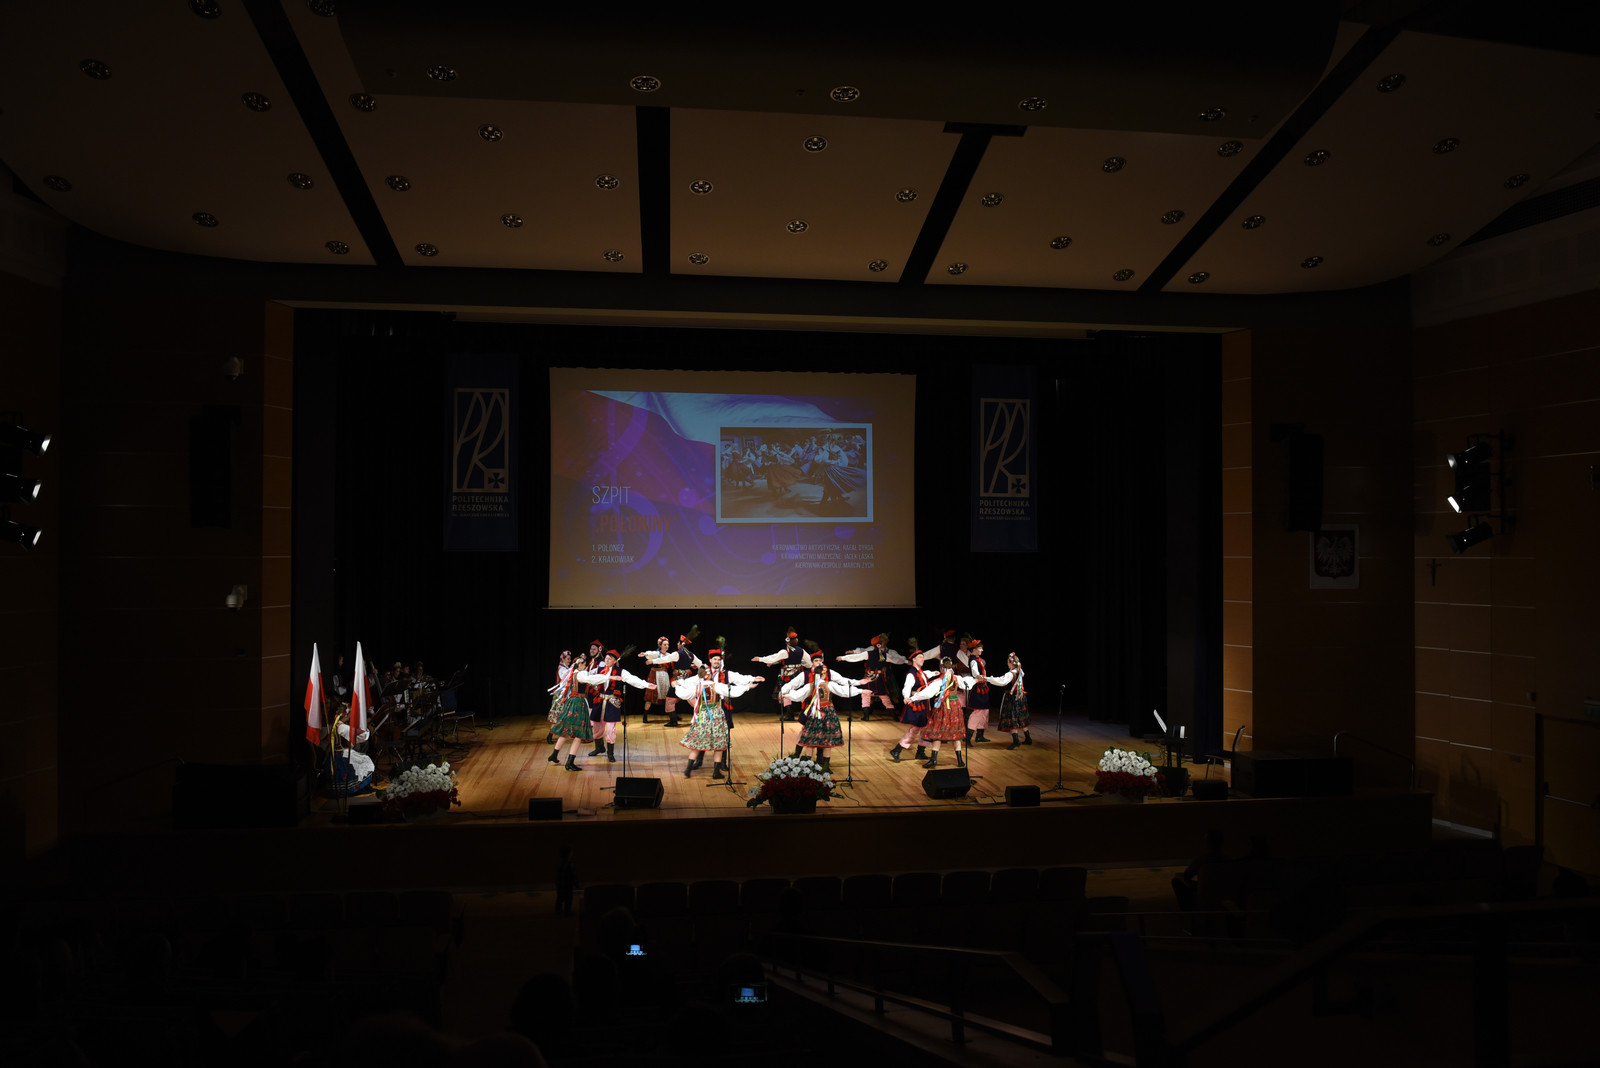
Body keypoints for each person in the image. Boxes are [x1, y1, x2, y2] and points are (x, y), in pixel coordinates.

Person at [779, 649, 867, 771]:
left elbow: (843, 683)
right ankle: (800, 758)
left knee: (822, 737)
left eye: (820, 660)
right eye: (816, 661)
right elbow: (793, 687)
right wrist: (784, 693)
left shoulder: (829, 677)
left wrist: (859, 684)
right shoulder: (806, 676)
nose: (819, 663)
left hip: (825, 712)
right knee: (808, 734)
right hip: (811, 709)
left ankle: (819, 762)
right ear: (812, 662)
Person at [674, 655, 759, 778]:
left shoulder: (697, 687)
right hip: (716, 716)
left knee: (698, 743)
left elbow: (683, 694)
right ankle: (716, 772)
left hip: (702, 716)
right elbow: (731, 691)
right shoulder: (716, 686)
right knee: (719, 745)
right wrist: (747, 687)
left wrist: (676, 686)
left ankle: (688, 769)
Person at [576, 649, 650, 763]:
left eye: (610, 659)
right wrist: (579, 672)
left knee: (610, 728)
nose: (607, 660)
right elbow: (586, 676)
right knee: (596, 726)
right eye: (606, 658)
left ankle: (610, 753)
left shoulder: (621, 672)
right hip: (599, 700)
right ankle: (599, 747)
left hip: (612, 702)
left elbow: (632, 679)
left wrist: (646, 684)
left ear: (615, 661)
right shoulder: (598, 670)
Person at [908, 655, 980, 768]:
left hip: (944, 707)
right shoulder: (956, 678)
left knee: (938, 732)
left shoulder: (940, 681)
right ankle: (960, 760)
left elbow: (928, 693)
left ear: (942, 668)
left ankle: (934, 760)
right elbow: (968, 684)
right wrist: (976, 680)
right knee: (955, 732)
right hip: (955, 707)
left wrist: (912, 698)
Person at [836, 632, 903, 720]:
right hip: (879, 678)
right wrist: (906, 661)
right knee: (884, 697)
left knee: (866, 695)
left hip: (869, 677)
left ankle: (866, 716)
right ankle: (895, 717)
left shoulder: (869, 654)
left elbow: (856, 657)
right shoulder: (885, 655)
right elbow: (896, 660)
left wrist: (843, 658)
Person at [546, 653, 594, 771]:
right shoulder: (581, 675)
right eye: (584, 664)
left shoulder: (574, 673)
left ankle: (554, 755)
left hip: (571, 703)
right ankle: (570, 763)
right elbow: (591, 679)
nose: (585, 666)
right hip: (579, 704)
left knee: (566, 732)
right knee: (578, 735)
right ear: (580, 665)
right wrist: (607, 677)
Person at [888, 640, 932, 763]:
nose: (922, 659)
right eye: (920, 657)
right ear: (914, 660)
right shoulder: (911, 674)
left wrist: (935, 673)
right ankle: (897, 750)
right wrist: (906, 697)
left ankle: (920, 752)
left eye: (923, 657)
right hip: (917, 703)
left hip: (924, 703)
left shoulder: (921, 672)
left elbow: (926, 675)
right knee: (915, 729)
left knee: (926, 727)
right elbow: (907, 687)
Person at [752, 627, 806, 720]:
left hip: (790, 674)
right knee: (799, 691)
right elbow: (807, 663)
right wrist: (772, 662)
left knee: (788, 691)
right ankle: (797, 713)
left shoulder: (787, 651)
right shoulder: (800, 651)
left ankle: (794, 713)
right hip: (796, 673)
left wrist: (761, 659)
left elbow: (775, 657)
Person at [993, 651, 1032, 748]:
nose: (1007, 664)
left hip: (1012, 698)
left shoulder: (1010, 674)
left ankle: (1016, 741)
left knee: (1012, 718)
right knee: (1021, 717)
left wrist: (989, 679)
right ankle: (1028, 738)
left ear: (1011, 663)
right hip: (1020, 697)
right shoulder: (1020, 671)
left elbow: (1002, 682)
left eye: (1008, 662)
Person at [964, 638, 994, 744]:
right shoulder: (973, 661)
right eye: (980, 648)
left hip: (982, 688)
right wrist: (979, 676)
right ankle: (968, 737)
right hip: (978, 689)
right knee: (978, 712)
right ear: (974, 649)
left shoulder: (978, 659)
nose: (982, 650)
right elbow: (975, 672)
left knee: (985, 711)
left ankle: (980, 735)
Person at [545, 649, 574, 744]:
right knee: (557, 716)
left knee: (566, 715)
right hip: (561, 696)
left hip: (565, 695)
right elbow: (567, 677)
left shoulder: (565, 668)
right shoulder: (562, 669)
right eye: (568, 659)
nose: (569, 661)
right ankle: (550, 735)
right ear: (563, 659)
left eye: (570, 659)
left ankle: (568, 734)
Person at [555, 844, 578, 915]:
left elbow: (558, 875)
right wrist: (576, 884)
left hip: (561, 884)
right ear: (569, 854)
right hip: (567, 884)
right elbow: (572, 875)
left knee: (560, 897)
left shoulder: (560, 863)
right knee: (568, 898)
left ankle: (558, 910)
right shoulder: (569, 864)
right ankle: (567, 911)